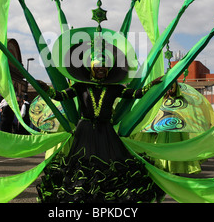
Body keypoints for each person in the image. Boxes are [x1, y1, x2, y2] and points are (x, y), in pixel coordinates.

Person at [35, 60, 164, 203]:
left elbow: (136, 94)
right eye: (97, 66)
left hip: (106, 131)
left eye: (104, 66)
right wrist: (46, 89)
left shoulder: (114, 88)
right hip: (85, 131)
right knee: (83, 165)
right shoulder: (81, 86)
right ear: (91, 69)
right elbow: (61, 96)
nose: (101, 69)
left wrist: (152, 85)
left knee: (110, 163)